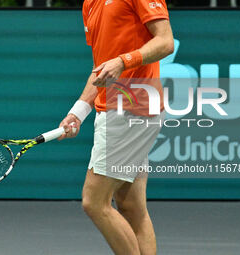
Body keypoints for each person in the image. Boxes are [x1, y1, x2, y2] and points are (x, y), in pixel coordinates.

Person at [59, 0, 174, 254]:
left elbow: (166, 41)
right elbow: (101, 68)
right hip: (119, 107)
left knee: (94, 202)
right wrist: (78, 112)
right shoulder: (90, 4)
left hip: (130, 108)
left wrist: (124, 61)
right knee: (131, 206)